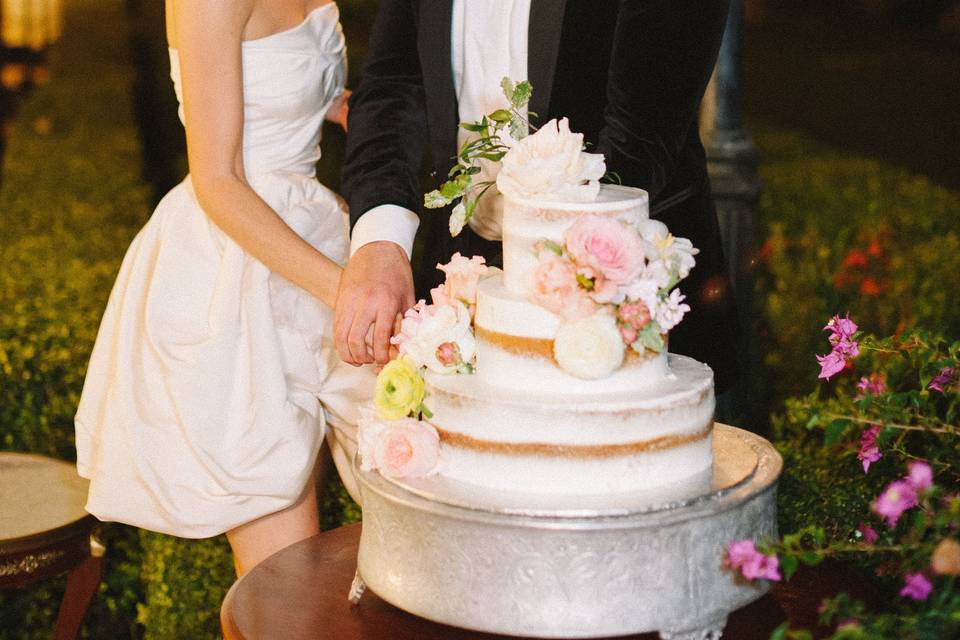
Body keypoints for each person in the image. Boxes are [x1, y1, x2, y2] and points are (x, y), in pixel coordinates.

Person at [75, 0, 372, 576]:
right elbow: (217, 179)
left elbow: (292, 84)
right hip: (239, 273)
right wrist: (348, 295)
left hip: (313, 238)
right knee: (284, 579)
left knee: (379, 535)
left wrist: (362, 111)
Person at [335, 0, 739, 405]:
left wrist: (524, 299)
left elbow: (639, 143)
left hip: (622, 304)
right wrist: (380, 241)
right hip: (457, 289)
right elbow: (392, 84)